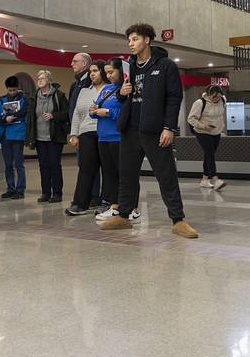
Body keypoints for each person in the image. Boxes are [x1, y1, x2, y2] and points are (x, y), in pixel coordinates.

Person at [100, 23, 198, 238]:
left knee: (166, 176)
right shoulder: (130, 67)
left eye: (135, 39)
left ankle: (178, 220)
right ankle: (123, 216)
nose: (131, 44)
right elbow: (127, 97)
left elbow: (174, 98)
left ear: (147, 40)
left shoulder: (165, 66)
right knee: (126, 175)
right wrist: (121, 93)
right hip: (130, 130)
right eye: (129, 40)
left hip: (155, 131)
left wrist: (169, 127)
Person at [66, 61, 107, 216]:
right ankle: (80, 203)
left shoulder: (109, 89)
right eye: (91, 71)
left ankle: (105, 203)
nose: (92, 74)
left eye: (95, 71)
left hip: (104, 133)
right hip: (86, 134)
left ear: (103, 72)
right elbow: (77, 113)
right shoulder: (84, 90)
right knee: (85, 170)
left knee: (108, 170)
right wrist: (74, 134)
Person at [26, 70, 68, 203]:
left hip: (54, 136)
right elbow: (30, 118)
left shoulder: (59, 95)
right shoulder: (34, 97)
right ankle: (45, 192)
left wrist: (53, 115)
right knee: (43, 165)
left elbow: (67, 113)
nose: (39, 80)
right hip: (39, 137)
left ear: (49, 80)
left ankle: (57, 193)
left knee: (54, 164)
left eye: (42, 78)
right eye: (38, 78)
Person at [0, 75, 27, 200]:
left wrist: (9, 115)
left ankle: (20, 189)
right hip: (5, 135)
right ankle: (10, 188)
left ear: (18, 88)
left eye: (14, 90)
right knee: (8, 164)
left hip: (17, 135)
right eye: (10, 90)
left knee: (18, 163)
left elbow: (23, 113)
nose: (12, 92)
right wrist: (5, 118)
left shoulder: (24, 99)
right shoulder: (2, 99)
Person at [188, 84, 227, 190]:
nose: (217, 99)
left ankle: (204, 180)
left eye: (219, 96)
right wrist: (204, 126)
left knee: (209, 155)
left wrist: (220, 126)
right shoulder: (200, 103)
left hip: (216, 131)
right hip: (202, 132)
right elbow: (191, 119)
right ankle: (215, 179)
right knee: (210, 154)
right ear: (208, 95)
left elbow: (220, 115)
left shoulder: (223, 100)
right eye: (214, 97)